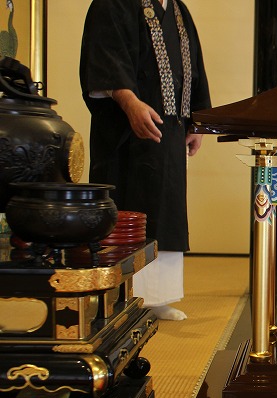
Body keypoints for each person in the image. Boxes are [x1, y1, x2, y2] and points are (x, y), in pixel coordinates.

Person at [79, 0, 211, 321]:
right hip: (126, 134)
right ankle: (119, 296)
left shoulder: (178, 9)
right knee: (129, 207)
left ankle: (157, 297)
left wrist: (197, 122)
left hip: (171, 130)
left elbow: (193, 66)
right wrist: (130, 103)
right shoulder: (111, 4)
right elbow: (104, 57)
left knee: (166, 211)